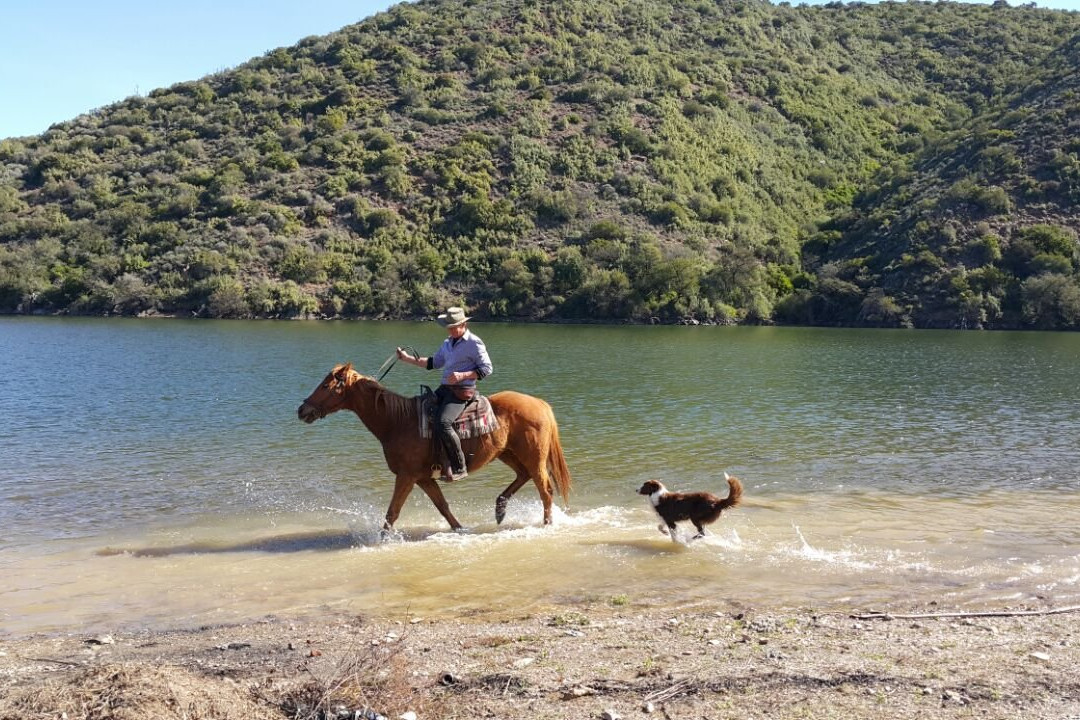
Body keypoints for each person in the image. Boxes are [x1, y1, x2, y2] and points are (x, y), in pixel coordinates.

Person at [396, 306, 493, 482]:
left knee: (443, 422)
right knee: (420, 410)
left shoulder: (474, 343)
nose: (450, 329)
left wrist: (463, 375)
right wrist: (407, 359)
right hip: (445, 389)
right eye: (448, 326)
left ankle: (459, 466)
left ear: (463, 324)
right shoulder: (448, 343)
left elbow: (487, 368)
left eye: (453, 326)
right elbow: (434, 363)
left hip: (462, 392)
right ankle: (437, 459)